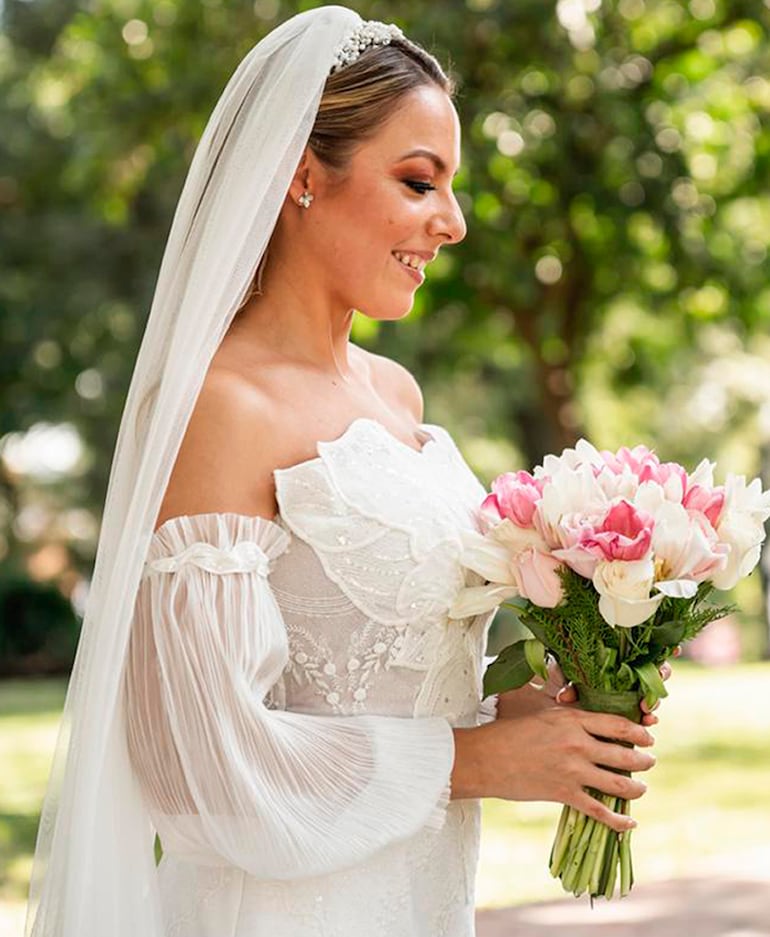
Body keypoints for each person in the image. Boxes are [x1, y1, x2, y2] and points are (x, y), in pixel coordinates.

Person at [25, 8, 657, 937]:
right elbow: (195, 766)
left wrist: (555, 710)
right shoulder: (220, 407)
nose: (453, 222)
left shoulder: (398, 397)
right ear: (301, 174)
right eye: (417, 182)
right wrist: (473, 762)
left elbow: (401, 676)